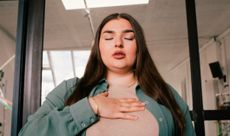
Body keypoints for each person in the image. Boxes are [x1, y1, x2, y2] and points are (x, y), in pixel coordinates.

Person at [19, 13, 196, 136]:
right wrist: (91, 106)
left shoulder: (166, 93)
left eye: (128, 38)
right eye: (109, 38)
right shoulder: (69, 90)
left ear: (139, 47)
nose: (118, 43)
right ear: (98, 47)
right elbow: (28, 133)